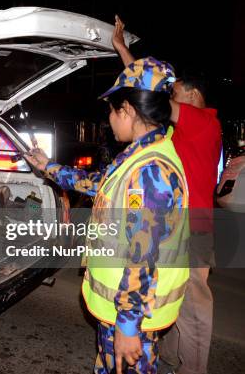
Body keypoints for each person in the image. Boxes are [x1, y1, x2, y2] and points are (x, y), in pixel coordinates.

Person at [26, 57, 189, 373]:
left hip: (132, 314)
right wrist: (49, 167)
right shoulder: (145, 152)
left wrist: (128, 326)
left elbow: (143, 255)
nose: (109, 120)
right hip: (129, 310)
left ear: (127, 109)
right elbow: (99, 182)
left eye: (111, 112)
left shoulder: (150, 170)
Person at [112, 15, 221, 374]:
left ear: (191, 95)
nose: (170, 98)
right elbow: (150, 96)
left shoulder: (204, 122)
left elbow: (153, 98)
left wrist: (127, 56)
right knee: (171, 303)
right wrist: (123, 52)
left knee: (193, 311)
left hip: (195, 231)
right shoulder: (186, 131)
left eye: (175, 93)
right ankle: (175, 363)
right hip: (180, 228)